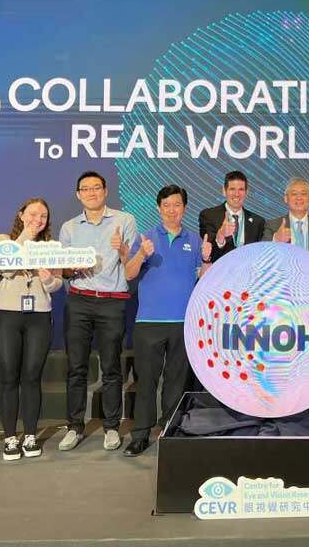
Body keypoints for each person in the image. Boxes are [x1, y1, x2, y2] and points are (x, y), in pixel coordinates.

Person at [122, 185, 212, 456]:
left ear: (184, 208)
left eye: (177, 205)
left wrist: (206, 259)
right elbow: (129, 274)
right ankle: (140, 435)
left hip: (183, 322)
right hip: (149, 322)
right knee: (146, 382)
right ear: (159, 208)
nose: (172, 210)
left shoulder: (194, 240)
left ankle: (169, 431)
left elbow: (203, 277)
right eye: (167, 205)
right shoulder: (146, 237)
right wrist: (142, 254)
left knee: (176, 381)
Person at [57, 171, 137, 453]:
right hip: (79, 300)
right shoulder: (69, 227)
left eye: (96, 188)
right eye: (85, 189)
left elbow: (132, 264)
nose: (91, 193)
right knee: (76, 367)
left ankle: (111, 427)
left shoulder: (124, 220)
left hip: (112, 301)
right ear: (78, 194)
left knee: (111, 367)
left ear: (105, 191)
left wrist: (123, 249)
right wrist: (72, 268)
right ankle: (74, 426)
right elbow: (64, 270)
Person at [0, 198, 62, 461]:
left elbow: (57, 285)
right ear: (21, 215)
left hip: (39, 315)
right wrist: (26, 238)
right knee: (8, 377)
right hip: (6, 315)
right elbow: (6, 269)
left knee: (32, 377)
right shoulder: (4, 240)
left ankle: (30, 434)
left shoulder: (52, 247)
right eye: (32, 214)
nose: (37, 220)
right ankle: (10, 437)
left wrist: (48, 279)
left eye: (43, 216)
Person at [261, 177, 309, 266]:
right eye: (294, 194)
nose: (299, 198)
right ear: (286, 198)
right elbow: (262, 258)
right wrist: (276, 240)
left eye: (303, 194)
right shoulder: (273, 225)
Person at [198, 170, 266, 263]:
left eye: (241, 189)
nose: (237, 194)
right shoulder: (209, 216)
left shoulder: (258, 222)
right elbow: (209, 253)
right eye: (232, 189)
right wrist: (220, 236)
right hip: (220, 271)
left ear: (246, 192)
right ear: (224, 191)